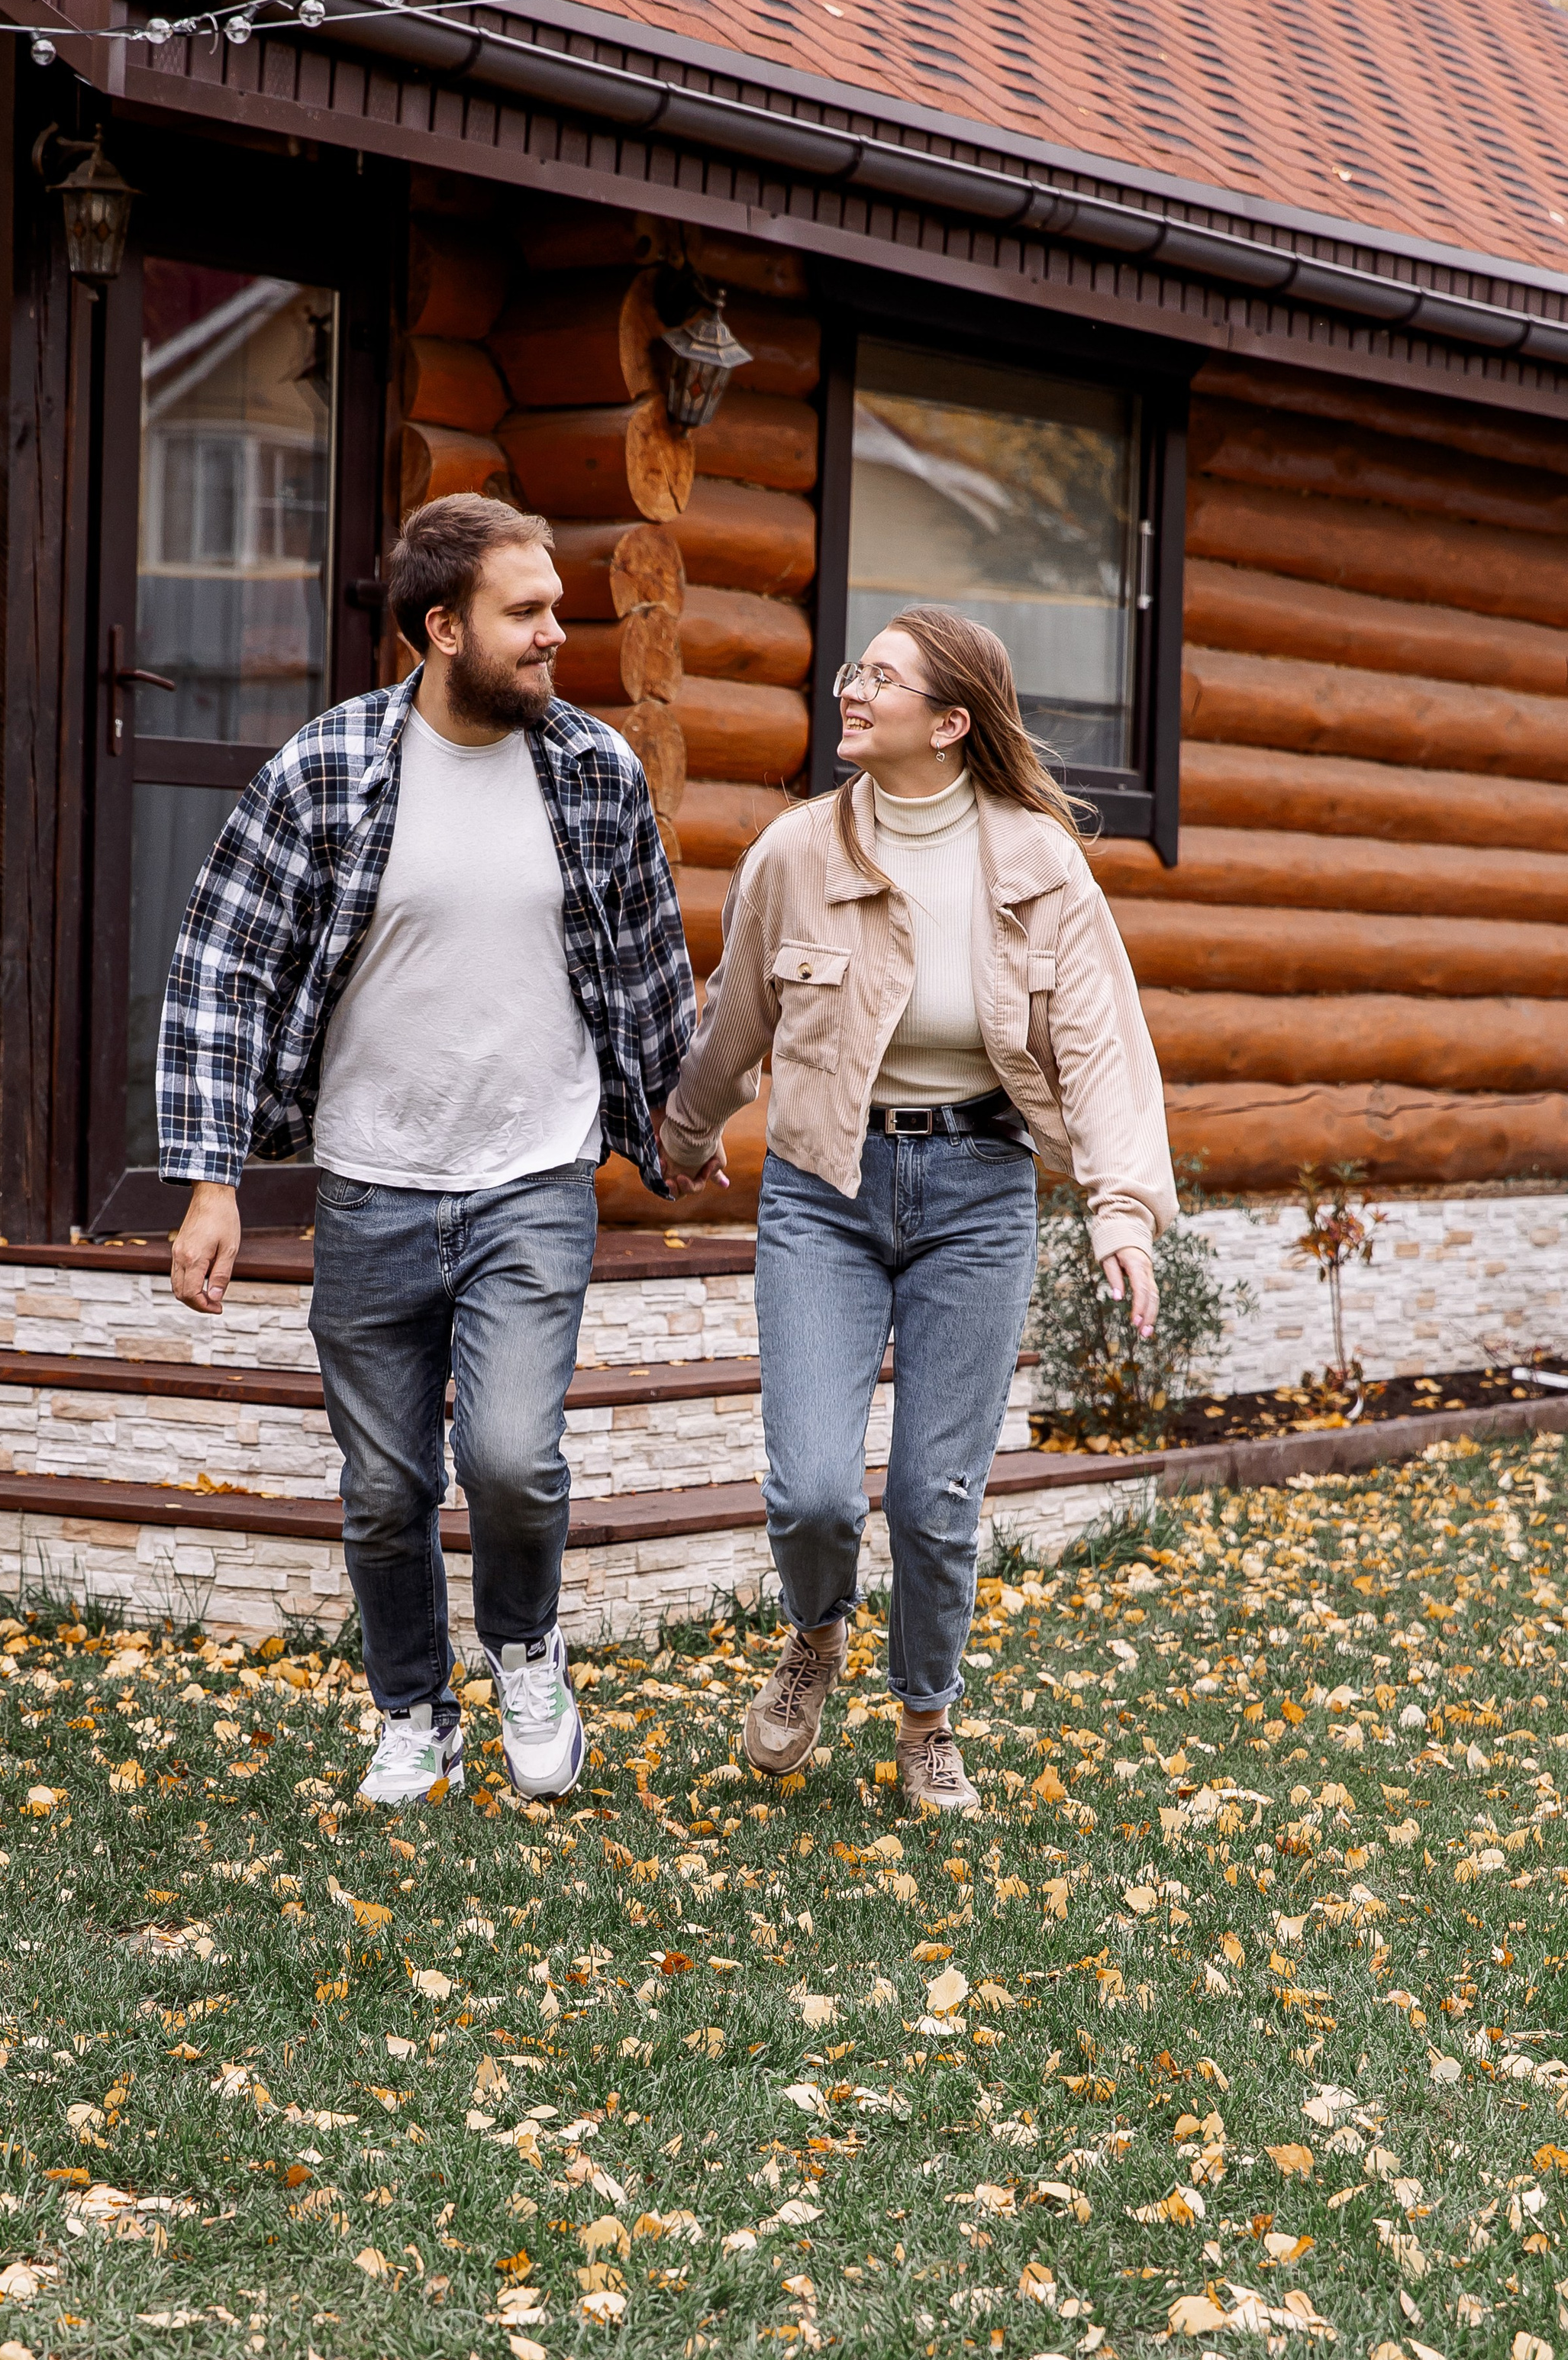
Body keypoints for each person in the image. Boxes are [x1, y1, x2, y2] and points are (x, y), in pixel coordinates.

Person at [158, 494, 694, 1809]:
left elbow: (648, 960)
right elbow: (220, 964)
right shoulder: (324, 769)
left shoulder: (594, 769)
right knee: (386, 1487)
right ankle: (412, 1711)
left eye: (556, 607)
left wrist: (674, 1123)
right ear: (441, 628)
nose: (558, 634)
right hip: (373, 1182)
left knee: (512, 1458)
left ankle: (523, 1654)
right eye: (528, 613)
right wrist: (211, 1178)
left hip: (533, 1176)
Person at [657, 608, 1173, 1815]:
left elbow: (1099, 1047)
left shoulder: (1038, 862)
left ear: (949, 722)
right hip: (822, 1191)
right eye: (853, 670)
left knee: (937, 1496)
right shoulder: (795, 852)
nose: (851, 690)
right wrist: (684, 1136)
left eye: (880, 679)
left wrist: (1123, 1212)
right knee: (814, 1491)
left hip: (978, 1193)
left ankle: (928, 1716)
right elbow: (739, 1020)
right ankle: (815, 1634)